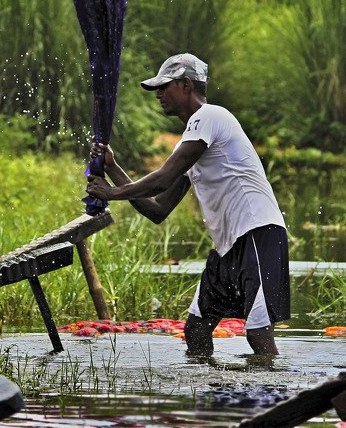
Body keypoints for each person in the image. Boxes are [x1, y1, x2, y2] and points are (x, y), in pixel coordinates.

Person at [86, 53, 289, 357]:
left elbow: (162, 178)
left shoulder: (209, 117)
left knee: (257, 333)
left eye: (164, 86)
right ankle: (211, 395)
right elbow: (157, 209)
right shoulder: (193, 145)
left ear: (185, 84)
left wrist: (111, 193)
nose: (158, 94)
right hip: (228, 250)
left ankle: (271, 395)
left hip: (258, 234)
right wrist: (114, 171)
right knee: (196, 330)